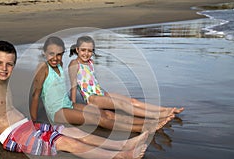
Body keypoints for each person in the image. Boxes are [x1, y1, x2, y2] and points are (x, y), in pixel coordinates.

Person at [0, 40, 150, 159]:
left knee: (72, 131)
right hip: (14, 136)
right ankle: (121, 156)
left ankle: (123, 144)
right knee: (66, 142)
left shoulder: (5, 82)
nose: (4, 68)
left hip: (27, 126)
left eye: (9, 64)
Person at [30, 36, 169, 133]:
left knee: (104, 113)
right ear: (44, 53)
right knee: (97, 118)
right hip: (57, 112)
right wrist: (33, 122)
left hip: (68, 104)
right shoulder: (43, 68)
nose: (55, 57)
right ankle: (141, 128)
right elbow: (36, 95)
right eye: (51, 54)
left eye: (59, 54)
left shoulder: (59, 65)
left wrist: (73, 103)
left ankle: (145, 122)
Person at [68, 35, 184, 119]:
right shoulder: (74, 64)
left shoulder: (90, 62)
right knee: (122, 105)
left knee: (132, 100)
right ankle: (156, 116)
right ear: (77, 49)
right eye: (83, 50)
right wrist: (73, 105)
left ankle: (164, 109)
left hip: (100, 93)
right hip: (91, 98)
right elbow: (74, 85)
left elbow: (92, 81)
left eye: (90, 51)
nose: (86, 54)